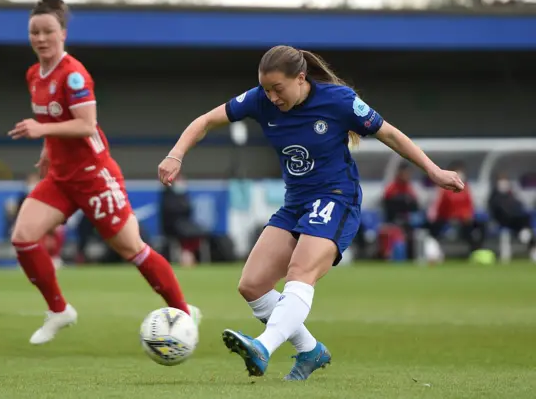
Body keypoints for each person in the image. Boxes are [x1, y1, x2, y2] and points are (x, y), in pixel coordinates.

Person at [158, 45, 463, 380]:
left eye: (278, 89)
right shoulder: (259, 99)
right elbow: (206, 121)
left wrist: (433, 171)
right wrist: (176, 154)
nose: (272, 97)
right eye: (266, 89)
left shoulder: (339, 101)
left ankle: (263, 346)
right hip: (296, 204)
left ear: (300, 78)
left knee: (299, 271)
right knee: (252, 285)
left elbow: (389, 133)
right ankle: (310, 350)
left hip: (336, 198)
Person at [8, 0, 200, 345]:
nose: (40, 38)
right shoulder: (34, 74)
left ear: (62, 33)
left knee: (132, 249)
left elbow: (85, 124)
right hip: (61, 178)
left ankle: (184, 314)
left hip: (94, 176)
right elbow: (54, 119)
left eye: (48, 31)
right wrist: (48, 150)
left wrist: (41, 131)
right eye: (34, 32)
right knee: (23, 237)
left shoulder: (74, 75)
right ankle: (59, 310)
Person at [427, 161, 485, 256]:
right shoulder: (444, 189)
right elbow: (442, 208)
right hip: (449, 220)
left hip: (465, 220)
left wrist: (468, 215)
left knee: (481, 224)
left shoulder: (465, 188)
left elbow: (470, 205)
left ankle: (477, 251)